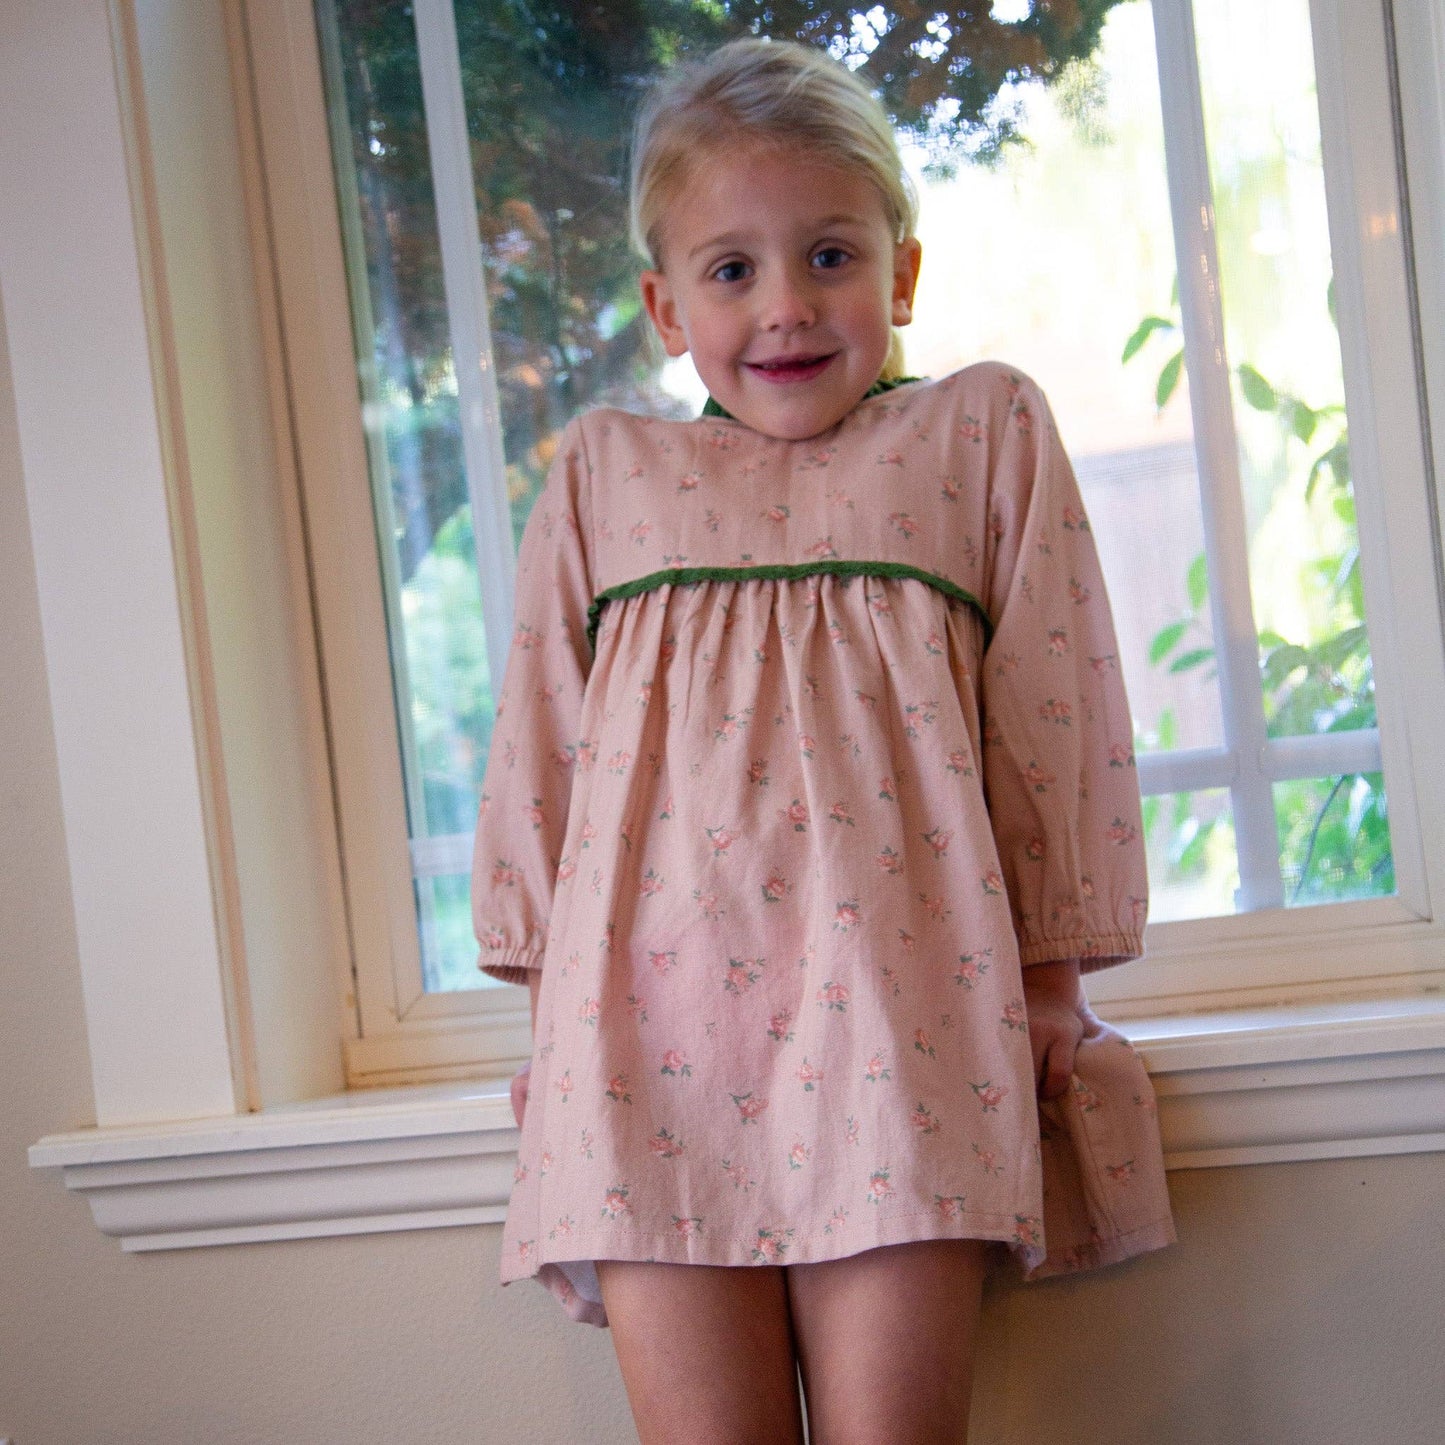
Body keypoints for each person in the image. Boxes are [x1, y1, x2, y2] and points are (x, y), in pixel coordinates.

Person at [471, 35, 1175, 1443]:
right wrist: (548, 1002)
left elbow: (1056, 707)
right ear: (668, 304)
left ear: (900, 273)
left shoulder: (980, 434)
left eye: (831, 255)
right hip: (643, 1052)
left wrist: (1046, 975)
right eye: (731, 270)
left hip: (903, 1035)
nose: (785, 305)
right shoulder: (610, 474)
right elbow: (542, 745)